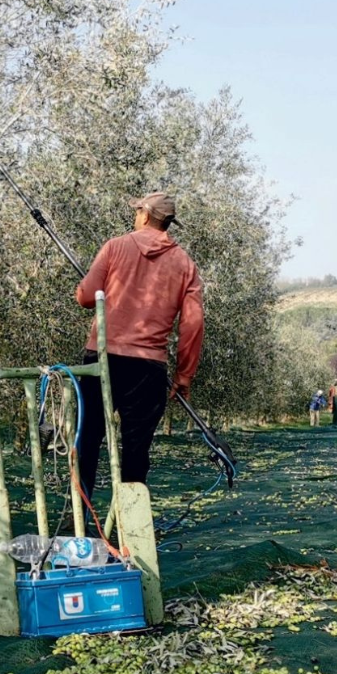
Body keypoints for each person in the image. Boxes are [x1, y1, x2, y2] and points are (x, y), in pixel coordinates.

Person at [74, 192, 204, 499]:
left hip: (101, 360)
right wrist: (185, 375)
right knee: (135, 451)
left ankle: (78, 513)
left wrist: (91, 285)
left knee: (88, 439)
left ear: (145, 215)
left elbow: (85, 298)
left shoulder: (115, 247)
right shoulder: (185, 264)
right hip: (147, 369)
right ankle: (131, 529)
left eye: (137, 211)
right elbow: (193, 323)